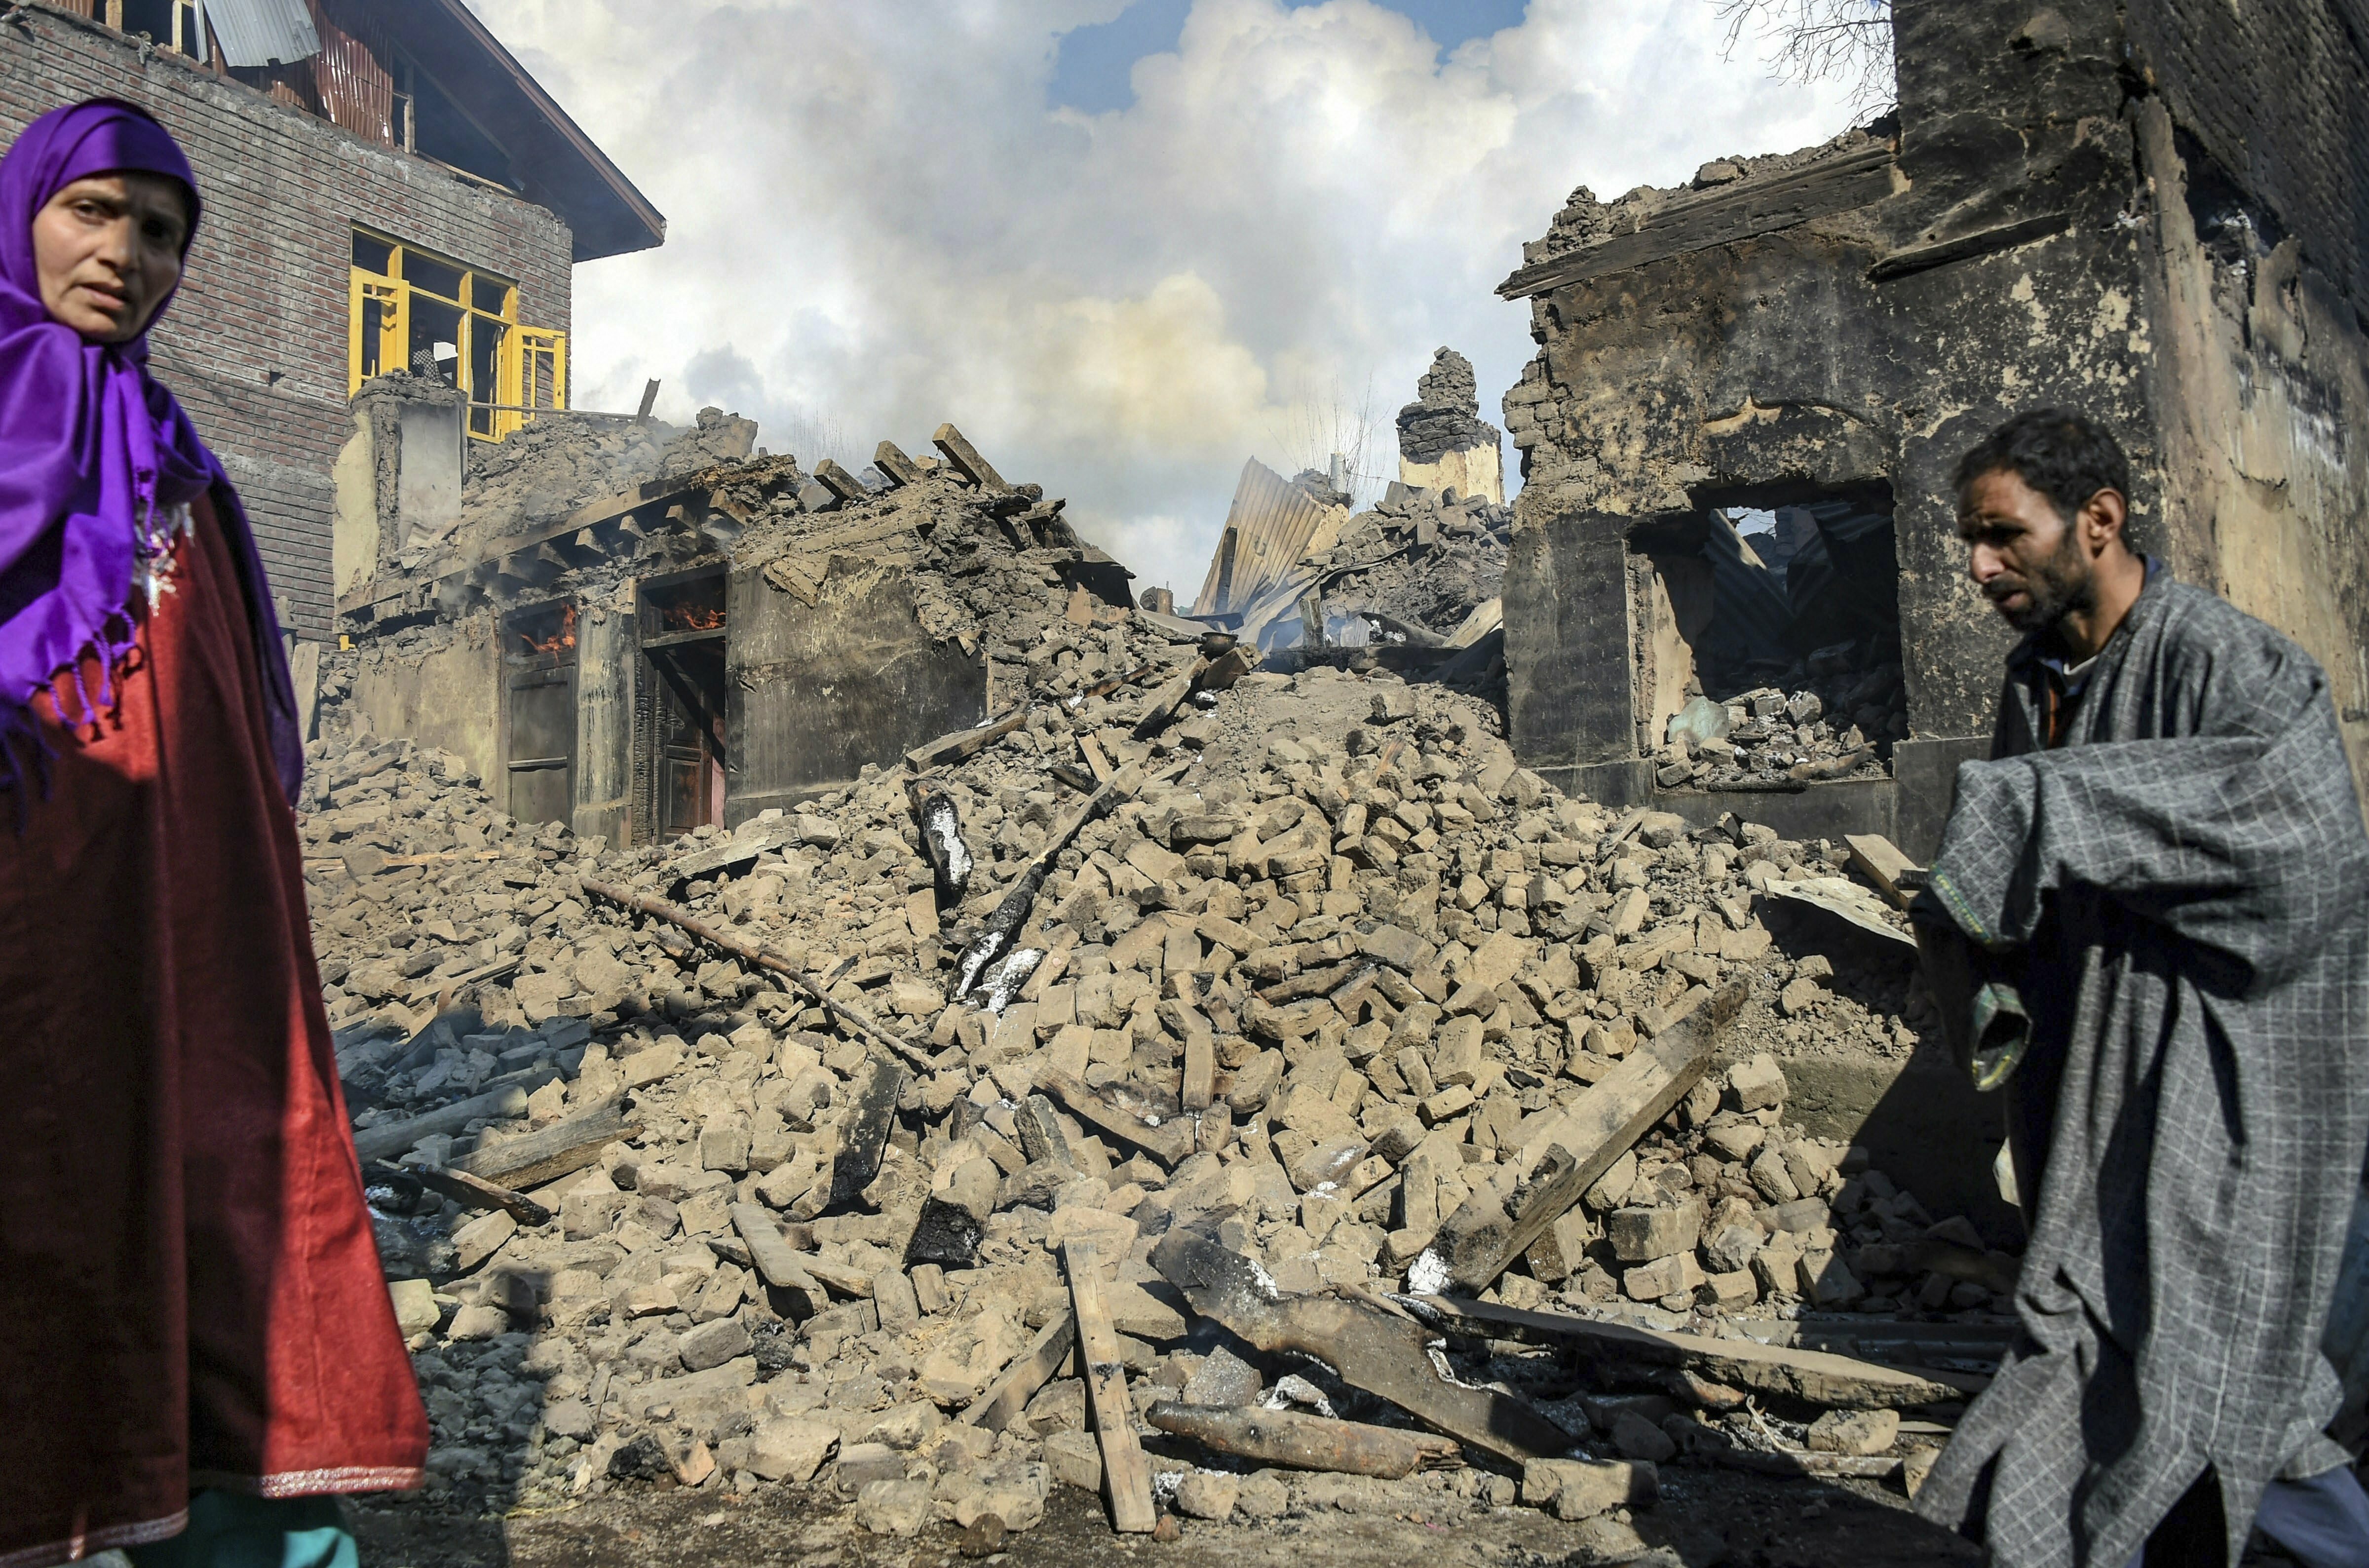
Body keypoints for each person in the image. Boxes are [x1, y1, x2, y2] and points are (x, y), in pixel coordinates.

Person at [0, 100, 427, 1567]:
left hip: (191, 919)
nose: (125, 254)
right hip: (29, 915)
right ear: (25, 212)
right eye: (93, 213)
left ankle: (228, 1523)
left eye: (162, 231)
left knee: (215, 1190)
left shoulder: (168, 445)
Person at [1910, 408, 2369, 1567]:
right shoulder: (2037, 681)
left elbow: (2308, 851)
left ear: (2100, 520)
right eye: (1972, 540)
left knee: (2220, 1362)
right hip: (2091, 1087)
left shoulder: (2233, 664)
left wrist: (2062, 811)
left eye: (2002, 535)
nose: (1979, 566)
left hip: (2218, 1078)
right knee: (2086, 1344)